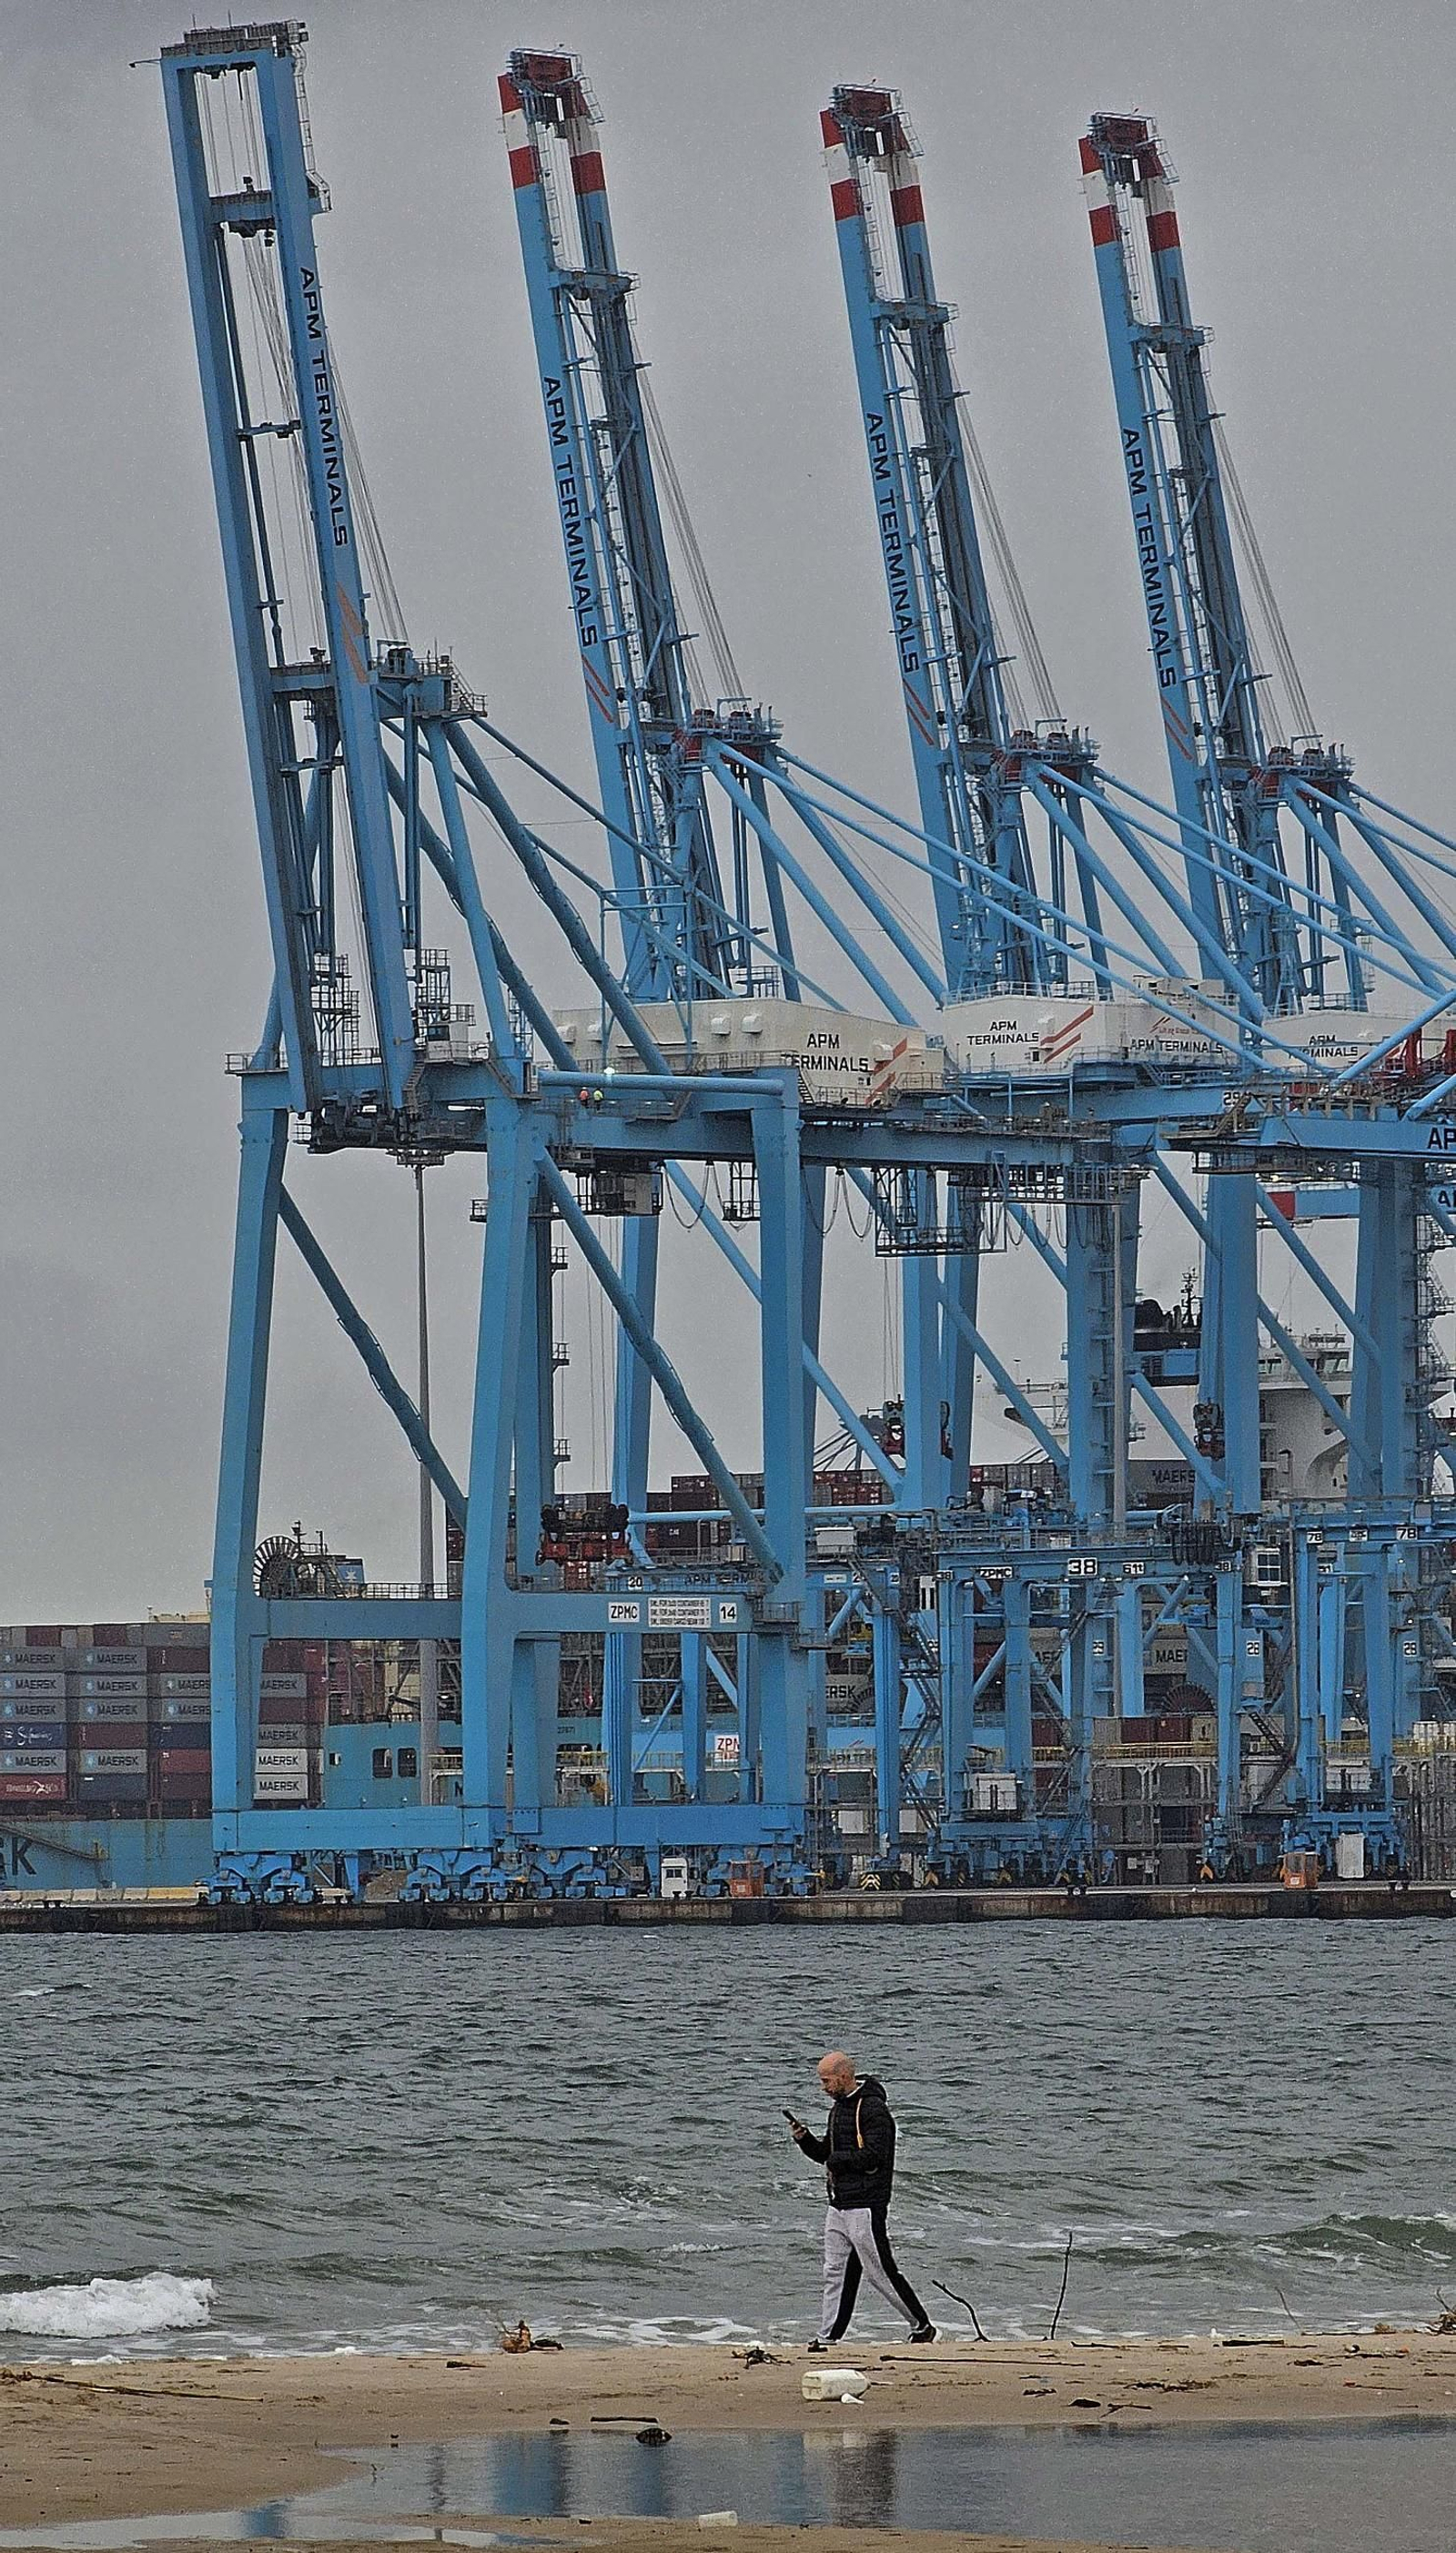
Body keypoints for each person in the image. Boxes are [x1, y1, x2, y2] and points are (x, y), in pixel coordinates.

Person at [789, 2050, 935, 2348]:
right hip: (839, 2203)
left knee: (878, 2272)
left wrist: (836, 2161)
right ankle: (828, 2336)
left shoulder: (873, 2110)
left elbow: (875, 2156)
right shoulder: (838, 2109)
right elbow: (827, 2155)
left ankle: (921, 2325)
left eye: (826, 2081)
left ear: (844, 2076)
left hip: (867, 2203)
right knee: (834, 2272)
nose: (823, 2088)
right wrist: (805, 2140)